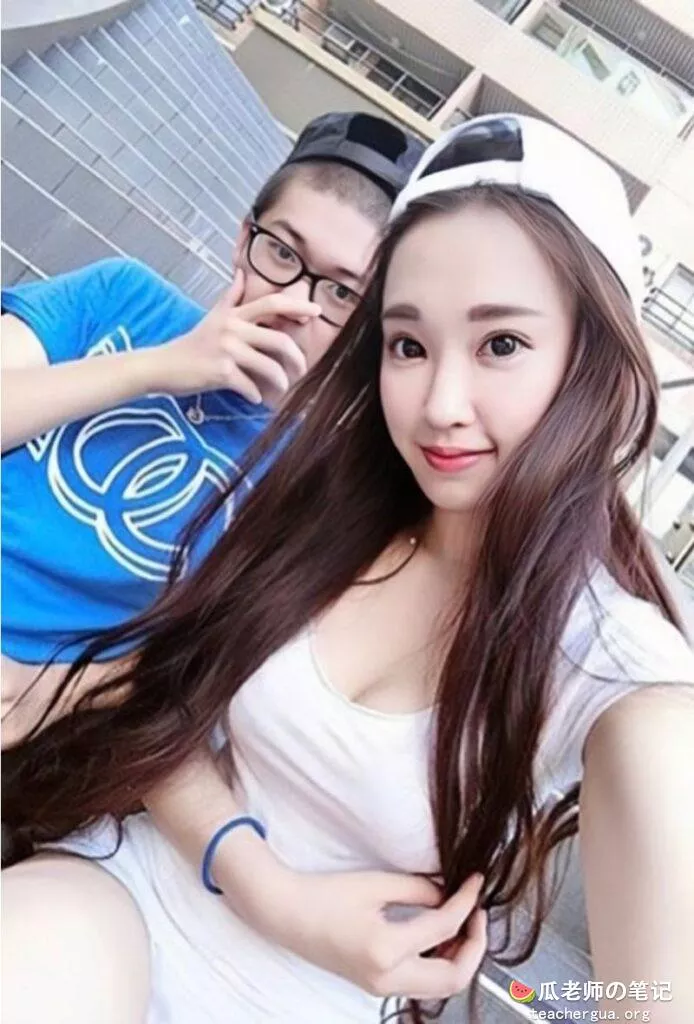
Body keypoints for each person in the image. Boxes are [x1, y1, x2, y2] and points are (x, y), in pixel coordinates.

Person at [4, 115, 694, 1024]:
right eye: (409, 344)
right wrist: (268, 890)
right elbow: (167, 707)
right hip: (116, 898)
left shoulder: (619, 672)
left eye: (501, 344)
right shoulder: (327, 506)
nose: (441, 404)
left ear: (595, 360)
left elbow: (653, 997)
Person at [0, 111, 424, 744]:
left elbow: (204, 659)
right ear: (243, 238)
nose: (295, 303)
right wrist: (160, 367)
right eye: (282, 252)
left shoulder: (318, 486)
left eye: (342, 293)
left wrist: (47, 696)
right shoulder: (122, 299)